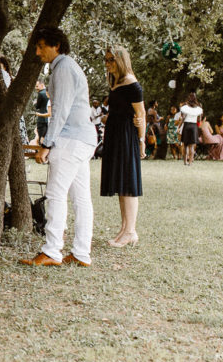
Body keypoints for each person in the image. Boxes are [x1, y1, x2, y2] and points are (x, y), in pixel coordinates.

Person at [17, 28, 96, 267]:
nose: (38, 52)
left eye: (41, 46)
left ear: (57, 46)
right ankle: (81, 253)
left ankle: (52, 251)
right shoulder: (70, 66)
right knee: (81, 198)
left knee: (55, 194)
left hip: (71, 139)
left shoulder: (62, 68)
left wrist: (46, 144)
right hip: (83, 138)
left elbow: (59, 111)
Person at [100, 46, 145, 248]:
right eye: (106, 59)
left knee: (128, 183)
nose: (108, 63)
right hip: (115, 135)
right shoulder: (116, 84)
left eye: (111, 60)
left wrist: (142, 141)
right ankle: (124, 228)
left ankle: (131, 231)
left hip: (127, 136)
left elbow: (140, 115)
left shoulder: (132, 84)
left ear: (120, 60)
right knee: (120, 183)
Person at [179, 93, 203, 166]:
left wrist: (179, 127)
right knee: (191, 146)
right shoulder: (198, 109)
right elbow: (199, 120)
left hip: (186, 125)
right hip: (193, 126)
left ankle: (185, 162)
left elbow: (183, 118)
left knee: (185, 145)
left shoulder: (185, 107)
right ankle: (190, 163)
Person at [34, 79, 51, 144]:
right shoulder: (49, 93)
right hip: (48, 119)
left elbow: (37, 106)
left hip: (41, 119)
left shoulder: (41, 93)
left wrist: (35, 103)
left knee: (40, 137)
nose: (36, 88)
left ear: (42, 85)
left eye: (37, 86)